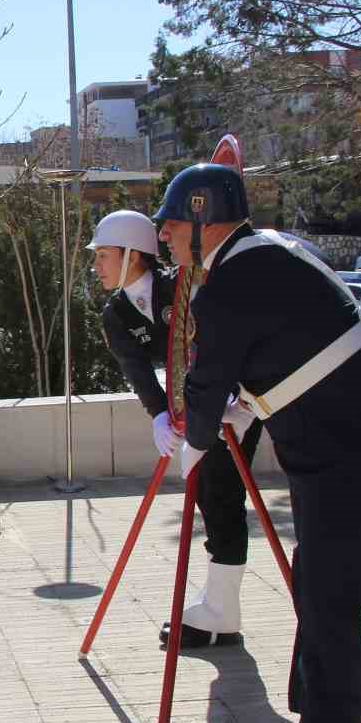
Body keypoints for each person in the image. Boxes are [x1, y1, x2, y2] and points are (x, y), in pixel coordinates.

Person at [154, 163, 361, 723]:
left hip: (357, 458)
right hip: (338, 457)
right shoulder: (265, 256)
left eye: (171, 224)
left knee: (331, 605)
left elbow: (209, 380)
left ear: (204, 219)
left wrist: (186, 452)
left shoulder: (232, 281)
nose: (164, 236)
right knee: (316, 593)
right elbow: (263, 367)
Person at [90, 209, 265, 648]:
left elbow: (217, 340)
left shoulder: (184, 285)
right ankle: (219, 606)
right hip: (201, 406)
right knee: (208, 493)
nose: (96, 266)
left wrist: (225, 398)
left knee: (221, 490)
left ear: (133, 256)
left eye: (104, 256)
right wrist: (159, 414)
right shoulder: (116, 313)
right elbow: (138, 370)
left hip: (238, 398)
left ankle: (221, 612)